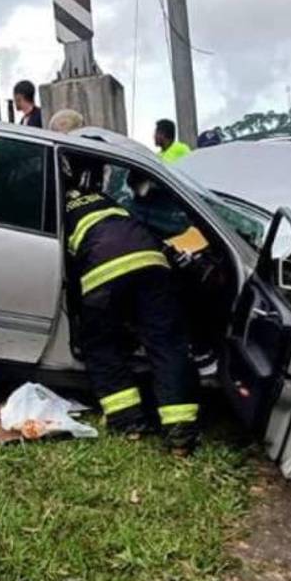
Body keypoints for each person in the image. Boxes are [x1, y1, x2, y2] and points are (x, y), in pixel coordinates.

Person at [63, 158, 200, 452]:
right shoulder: (106, 200)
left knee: (101, 344)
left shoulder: (60, 210)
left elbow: (69, 267)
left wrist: (81, 308)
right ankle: (180, 433)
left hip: (103, 271)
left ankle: (129, 423)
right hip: (151, 263)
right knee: (166, 343)